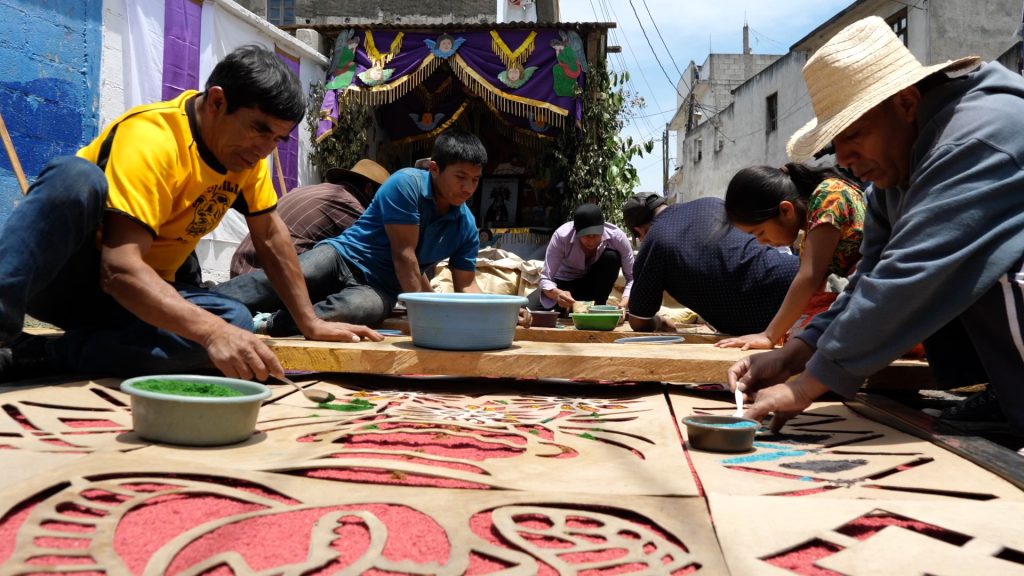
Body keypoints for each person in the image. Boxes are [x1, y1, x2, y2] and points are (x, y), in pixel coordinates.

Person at [0, 45, 379, 383]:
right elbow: (118, 271)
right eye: (259, 130)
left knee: (236, 324)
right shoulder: (153, 137)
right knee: (75, 177)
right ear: (217, 102)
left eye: (277, 139)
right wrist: (210, 333)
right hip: (73, 282)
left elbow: (270, 236)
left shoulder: (245, 156)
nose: (265, 149)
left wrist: (309, 322)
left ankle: (43, 355)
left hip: (138, 299)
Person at [729, 16, 1024, 435]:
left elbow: (912, 274)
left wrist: (805, 387)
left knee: (990, 273)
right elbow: (871, 278)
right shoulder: (894, 175)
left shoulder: (977, 137)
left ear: (905, 104)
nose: (844, 158)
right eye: (837, 144)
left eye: (855, 135)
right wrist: (797, 351)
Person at [215, 130, 489, 335]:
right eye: (461, 177)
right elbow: (404, 257)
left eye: (475, 180)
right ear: (435, 169)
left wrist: (503, 311)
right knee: (292, 275)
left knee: (354, 311)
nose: (468, 188)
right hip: (343, 255)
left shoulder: (466, 226)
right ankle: (204, 302)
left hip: (380, 287)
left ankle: (268, 324)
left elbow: (466, 284)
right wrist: (430, 319)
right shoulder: (407, 184)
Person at [716, 164, 865, 350]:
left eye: (760, 232)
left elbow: (809, 278)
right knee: (800, 335)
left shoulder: (829, 197)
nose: (761, 242)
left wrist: (769, 336)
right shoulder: (809, 234)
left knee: (814, 337)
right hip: (870, 296)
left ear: (786, 210)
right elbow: (813, 297)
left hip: (892, 294)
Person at [622, 194, 801, 335]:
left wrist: (659, 321)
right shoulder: (712, 203)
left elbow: (639, 321)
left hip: (767, 318)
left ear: (639, 231)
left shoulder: (655, 241)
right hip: (797, 276)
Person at [229, 159, 390, 277]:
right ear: (369, 189)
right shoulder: (348, 202)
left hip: (241, 267)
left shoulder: (320, 190)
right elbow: (377, 249)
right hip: (261, 276)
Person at [528, 203, 634, 314]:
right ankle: (562, 308)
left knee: (611, 257)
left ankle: (599, 308)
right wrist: (558, 294)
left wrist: (623, 304)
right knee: (525, 311)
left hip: (594, 285)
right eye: (586, 236)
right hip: (563, 284)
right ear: (576, 231)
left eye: (596, 235)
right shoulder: (561, 236)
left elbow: (632, 277)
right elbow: (545, 278)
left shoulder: (617, 237)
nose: (592, 241)